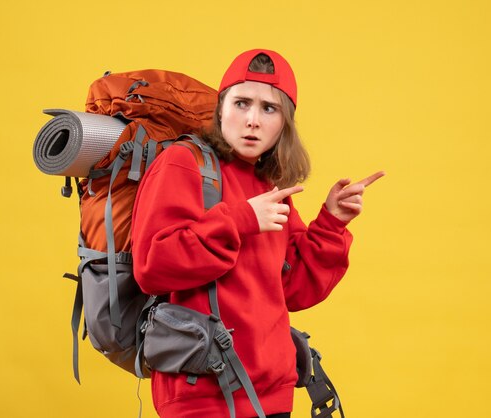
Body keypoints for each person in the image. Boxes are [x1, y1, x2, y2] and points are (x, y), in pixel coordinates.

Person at [131, 49, 384, 418]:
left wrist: (331, 221)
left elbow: (293, 288)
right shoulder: (183, 163)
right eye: (242, 103)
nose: (252, 120)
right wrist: (240, 220)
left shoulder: (268, 182)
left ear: (285, 122)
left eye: (269, 108)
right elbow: (152, 267)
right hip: (203, 397)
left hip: (272, 393)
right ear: (221, 109)